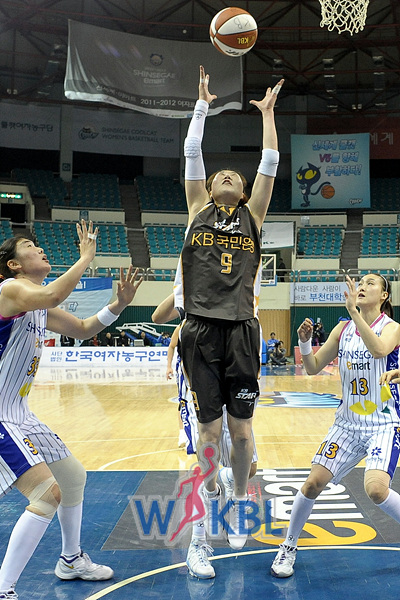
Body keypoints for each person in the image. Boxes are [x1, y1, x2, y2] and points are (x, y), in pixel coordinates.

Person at [0, 222, 142, 599]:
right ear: (14, 264)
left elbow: (82, 328)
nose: (39, 248)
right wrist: (85, 258)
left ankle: (71, 559)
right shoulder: (10, 290)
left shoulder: (39, 306)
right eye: (29, 246)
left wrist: (119, 304)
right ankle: (4, 588)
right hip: (0, 416)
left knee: (73, 478)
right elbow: (51, 294)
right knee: (46, 495)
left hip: (20, 413)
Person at [174, 65, 282, 558]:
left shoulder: (253, 216)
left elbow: (270, 161)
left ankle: (239, 501)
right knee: (208, 432)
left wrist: (267, 115)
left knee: (240, 432)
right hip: (199, 329)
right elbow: (192, 151)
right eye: (220, 174)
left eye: (234, 176)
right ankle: (201, 529)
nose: (225, 175)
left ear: (242, 192)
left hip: (241, 329)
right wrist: (202, 105)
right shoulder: (197, 206)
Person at [271, 273, 400, 579]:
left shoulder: (391, 327)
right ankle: (288, 546)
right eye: (361, 282)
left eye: (371, 283)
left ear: (384, 296)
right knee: (312, 484)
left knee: (376, 490)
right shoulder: (342, 329)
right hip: (347, 423)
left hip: (383, 422)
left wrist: (354, 313)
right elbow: (313, 367)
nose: (363, 286)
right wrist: (304, 343)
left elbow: (379, 350)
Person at [152, 293, 258, 579]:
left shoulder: (242, 290)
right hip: (202, 387)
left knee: (248, 469)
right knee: (205, 464)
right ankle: (197, 545)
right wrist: (182, 285)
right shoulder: (196, 292)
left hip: (235, 374)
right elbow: (158, 317)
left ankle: (230, 483)